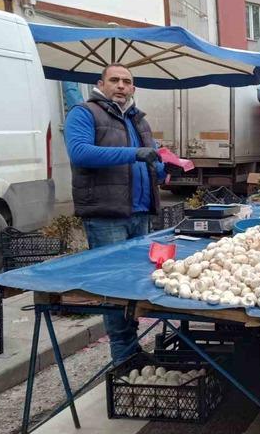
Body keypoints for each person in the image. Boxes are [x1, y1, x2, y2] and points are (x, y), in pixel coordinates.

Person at [64, 63, 170, 364]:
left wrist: (162, 170)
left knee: (135, 284)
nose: (121, 86)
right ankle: (123, 357)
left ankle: (133, 349)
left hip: (140, 214)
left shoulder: (138, 120)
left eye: (127, 81)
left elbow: (150, 160)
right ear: (102, 83)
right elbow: (81, 153)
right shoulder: (84, 113)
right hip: (107, 215)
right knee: (113, 288)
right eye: (115, 80)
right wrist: (134, 153)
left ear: (133, 88)